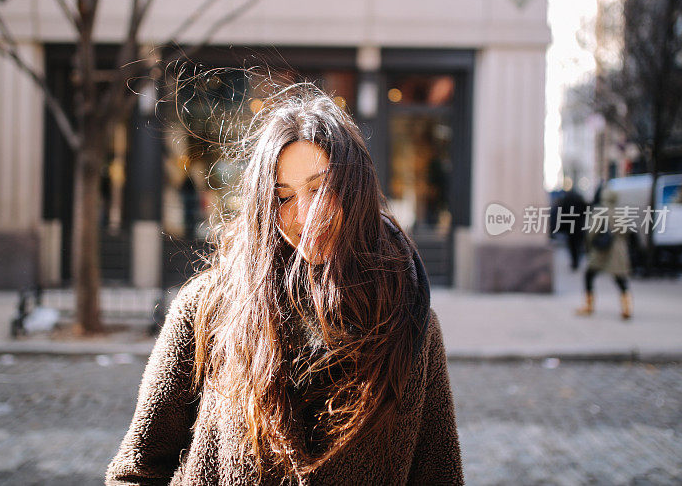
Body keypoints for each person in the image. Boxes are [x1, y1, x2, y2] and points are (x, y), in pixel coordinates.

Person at [106, 86, 463, 485]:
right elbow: (137, 469)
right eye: (283, 197)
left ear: (355, 188)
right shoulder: (209, 307)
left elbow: (439, 474)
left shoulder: (409, 320)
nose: (306, 215)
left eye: (320, 188)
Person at [575, 189, 632, 320]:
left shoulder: (599, 211)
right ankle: (627, 307)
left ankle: (589, 305)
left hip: (601, 250)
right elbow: (627, 231)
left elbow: (591, 232)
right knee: (620, 279)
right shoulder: (621, 212)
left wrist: (589, 247)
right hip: (618, 250)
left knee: (589, 275)